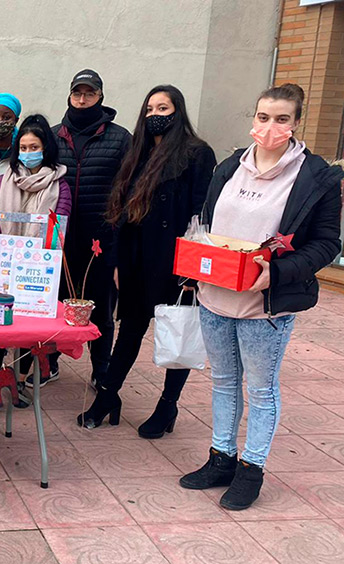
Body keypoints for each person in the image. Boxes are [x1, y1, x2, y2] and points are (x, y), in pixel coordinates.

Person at [180, 84, 343, 510]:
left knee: (261, 390)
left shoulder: (314, 176)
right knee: (222, 382)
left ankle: (251, 470)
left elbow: (327, 243)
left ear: (296, 122)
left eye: (282, 119)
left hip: (265, 307)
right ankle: (221, 459)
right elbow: (206, 221)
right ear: (253, 119)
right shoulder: (231, 165)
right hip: (216, 296)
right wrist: (194, 262)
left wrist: (278, 272)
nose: (271, 127)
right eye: (264, 117)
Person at [77, 85, 216, 439]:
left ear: (178, 111)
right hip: (137, 257)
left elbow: (204, 212)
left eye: (163, 108)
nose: (156, 115)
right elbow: (122, 212)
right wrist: (119, 263)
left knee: (178, 332)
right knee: (131, 330)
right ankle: (107, 396)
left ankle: (168, 406)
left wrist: (192, 268)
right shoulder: (137, 153)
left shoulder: (196, 153)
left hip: (176, 260)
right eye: (150, 108)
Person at [0, 114, 71, 420]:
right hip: (2, 268)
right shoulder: (3, 182)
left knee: (30, 334)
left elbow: (59, 233)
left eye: (35, 146)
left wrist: (45, 266)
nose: (29, 152)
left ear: (46, 149)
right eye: (24, 146)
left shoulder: (60, 187)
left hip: (36, 275)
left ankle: (21, 382)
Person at [54, 69, 131, 390]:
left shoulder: (120, 137)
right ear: (70, 96)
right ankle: (49, 361)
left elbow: (129, 187)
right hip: (60, 234)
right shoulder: (54, 134)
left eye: (89, 93)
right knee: (55, 302)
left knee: (101, 305)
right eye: (77, 93)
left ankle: (101, 368)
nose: (82, 99)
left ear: (100, 96)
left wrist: (119, 229)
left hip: (102, 235)